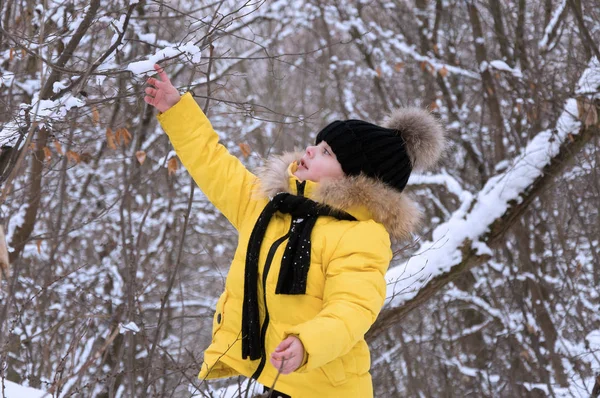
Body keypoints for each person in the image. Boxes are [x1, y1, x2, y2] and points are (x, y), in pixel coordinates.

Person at [144, 63, 445, 397]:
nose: (310, 150)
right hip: (279, 382)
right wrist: (177, 110)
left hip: (327, 389)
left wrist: (306, 344)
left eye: (327, 152)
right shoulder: (270, 206)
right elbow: (213, 164)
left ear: (355, 179)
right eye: (317, 144)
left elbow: (352, 310)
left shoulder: (360, 237)